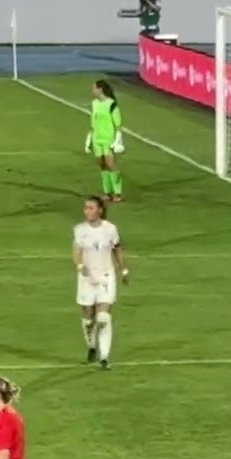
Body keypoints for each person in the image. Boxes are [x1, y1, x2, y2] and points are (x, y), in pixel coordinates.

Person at [73, 195, 128, 369]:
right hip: (87, 278)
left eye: (90, 208)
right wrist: (80, 265)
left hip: (106, 276)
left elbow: (117, 249)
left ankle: (104, 357)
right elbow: (76, 251)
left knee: (103, 317)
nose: (87, 211)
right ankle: (91, 346)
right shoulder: (79, 230)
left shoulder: (110, 229)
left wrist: (123, 269)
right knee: (89, 319)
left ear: (100, 210)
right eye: (85, 208)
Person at [85, 79, 124, 202]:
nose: (93, 91)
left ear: (100, 89)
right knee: (102, 165)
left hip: (108, 139)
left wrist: (117, 139)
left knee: (110, 165)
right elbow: (93, 120)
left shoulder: (111, 104)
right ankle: (107, 192)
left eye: (94, 88)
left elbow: (117, 123)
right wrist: (90, 137)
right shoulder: (95, 103)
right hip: (97, 138)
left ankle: (117, 192)